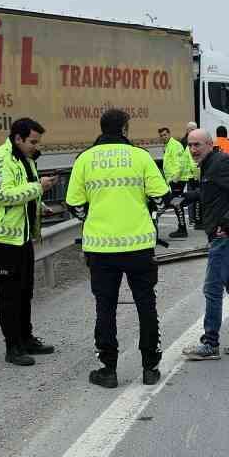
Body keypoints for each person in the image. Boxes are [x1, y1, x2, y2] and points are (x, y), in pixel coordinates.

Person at [65, 109, 171, 388]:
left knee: (106, 307)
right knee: (146, 304)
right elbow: (162, 198)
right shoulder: (141, 157)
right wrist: (148, 214)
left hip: (100, 249)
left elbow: (74, 205)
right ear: (125, 129)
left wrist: (94, 219)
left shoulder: (84, 160)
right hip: (139, 246)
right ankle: (150, 368)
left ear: (101, 128)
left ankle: (108, 370)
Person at [0, 118, 61, 366]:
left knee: (25, 290)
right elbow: (4, 196)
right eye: (32, 141)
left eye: (38, 142)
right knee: (10, 294)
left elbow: (23, 191)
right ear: (18, 138)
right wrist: (39, 187)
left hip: (19, 236)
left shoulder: (24, 158)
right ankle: (12, 347)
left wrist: (40, 206)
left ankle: (26, 339)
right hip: (1, 239)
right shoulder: (1, 160)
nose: (36, 146)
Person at [177, 128, 229, 360]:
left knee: (212, 290)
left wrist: (227, 219)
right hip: (227, 235)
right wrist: (187, 197)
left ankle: (210, 344)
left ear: (209, 145)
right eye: (190, 145)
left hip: (225, 236)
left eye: (197, 145)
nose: (193, 150)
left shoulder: (221, 162)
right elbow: (212, 189)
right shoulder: (209, 165)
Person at [160, 125, 198, 239]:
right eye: (161, 136)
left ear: (169, 134)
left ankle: (182, 229)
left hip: (177, 179)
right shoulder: (168, 146)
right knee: (178, 202)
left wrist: (175, 177)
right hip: (174, 179)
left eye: (165, 135)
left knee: (177, 203)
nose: (163, 137)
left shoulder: (174, 145)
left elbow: (179, 163)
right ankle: (181, 227)